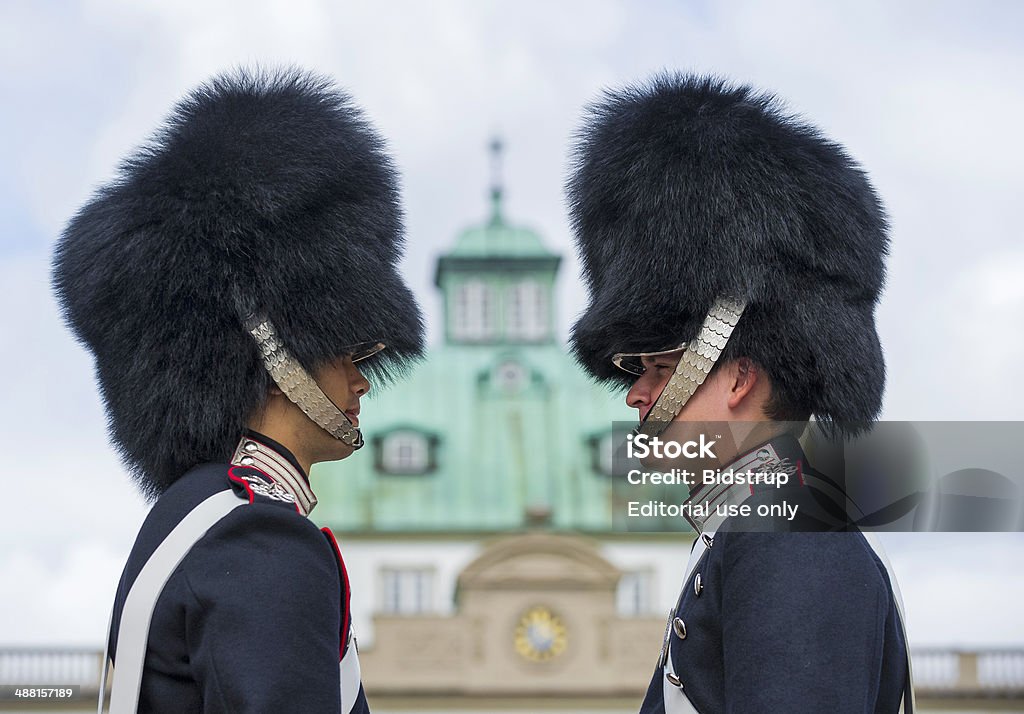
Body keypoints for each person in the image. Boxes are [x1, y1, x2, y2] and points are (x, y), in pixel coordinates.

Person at [53, 68, 423, 713]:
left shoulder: (193, 515)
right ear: (276, 353)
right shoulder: (258, 536)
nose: (364, 378)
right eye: (351, 352)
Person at [566, 74, 913, 713]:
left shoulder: (788, 535)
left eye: (656, 366)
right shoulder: (755, 528)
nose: (634, 394)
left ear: (735, 375)